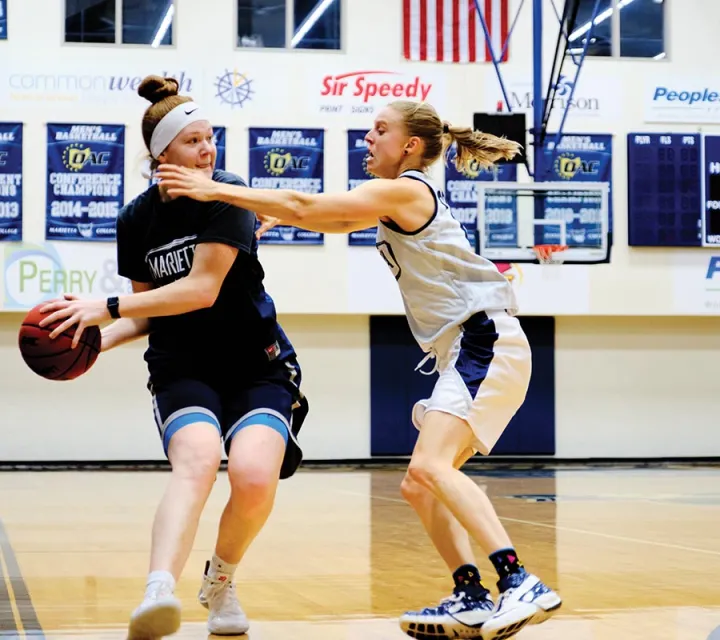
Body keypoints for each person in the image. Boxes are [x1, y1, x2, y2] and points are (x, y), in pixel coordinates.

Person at [154, 100, 562, 640]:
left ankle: (519, 582)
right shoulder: (397, 199)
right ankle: (470, 595)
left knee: (433, 468)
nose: (368, 138)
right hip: (468, 348)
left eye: (380, 129)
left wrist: (218, 190)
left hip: (483, 340)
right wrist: (278, 211)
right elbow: (336, 216)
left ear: (410, 146)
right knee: (420, 483)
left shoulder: (409, 188)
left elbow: (306, 202)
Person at [39, 75, 309, 640]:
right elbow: (149, 312)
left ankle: (221, 581)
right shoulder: (136, 219)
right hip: (182, 367)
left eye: (211, 138)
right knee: (199, 460)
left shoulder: (229, 193)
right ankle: (157, 591)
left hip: (256, 364)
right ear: (162, 153)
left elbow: (200, 289)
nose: (207, 150)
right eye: (193, 141)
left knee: (256, 476)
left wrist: (105, 306)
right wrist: (87, 343)